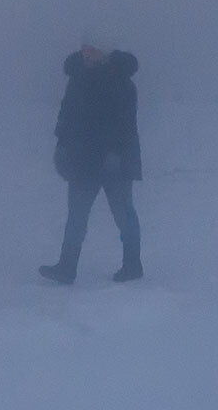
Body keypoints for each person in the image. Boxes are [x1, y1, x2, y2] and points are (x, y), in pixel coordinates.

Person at [40, 43, 143, 284]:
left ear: (104, 52)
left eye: (93, 50)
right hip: (83, 161)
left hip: (115, 163)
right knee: (76, 216)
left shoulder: (121, 79)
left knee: (123, 214)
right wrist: (61, 148)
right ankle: (66, 268)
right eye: (85, 50)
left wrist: (116, 154)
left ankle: (132, 266)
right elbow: (66, 116)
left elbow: (126, 123)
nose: (88, 54)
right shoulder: (77, 79)